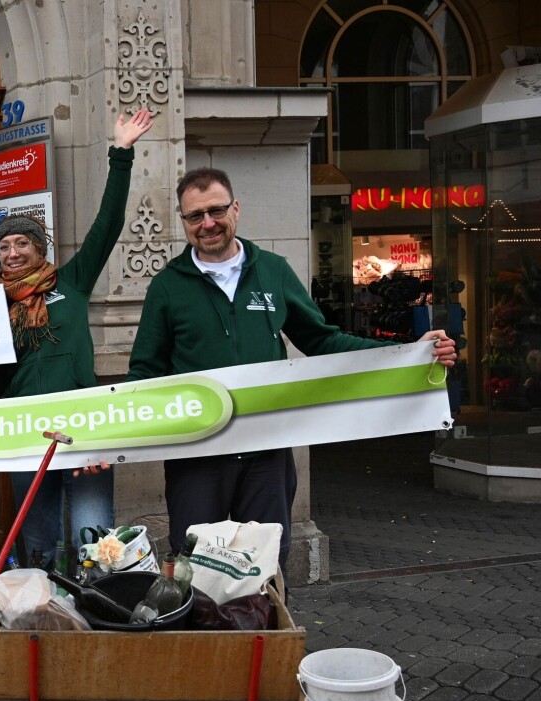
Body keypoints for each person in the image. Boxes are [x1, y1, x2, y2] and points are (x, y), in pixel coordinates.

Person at [125, 167, 458, 571]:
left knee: (265, 561)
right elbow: (144, 371)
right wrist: (108, 436)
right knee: (196, 562)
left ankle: (269, 635)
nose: (207, 223)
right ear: (184, 221)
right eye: (195, 216)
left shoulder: (272, 270)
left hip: (267, 449)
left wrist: (406, 353)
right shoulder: (167, 286)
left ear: (236, 209)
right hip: (198, 453)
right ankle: (204, 635)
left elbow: (322, 340)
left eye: (216, 210)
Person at [0, 108, 153, 566]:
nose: (12, 251)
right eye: (3, 246)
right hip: (28, 427)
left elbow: (108, 224)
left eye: (22, 243)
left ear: (40, 249)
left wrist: (120, 153)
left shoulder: (72, 281)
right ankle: (45, 625)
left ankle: (98, 618)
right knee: (39, 542)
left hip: (85, 424)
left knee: (95, 538)